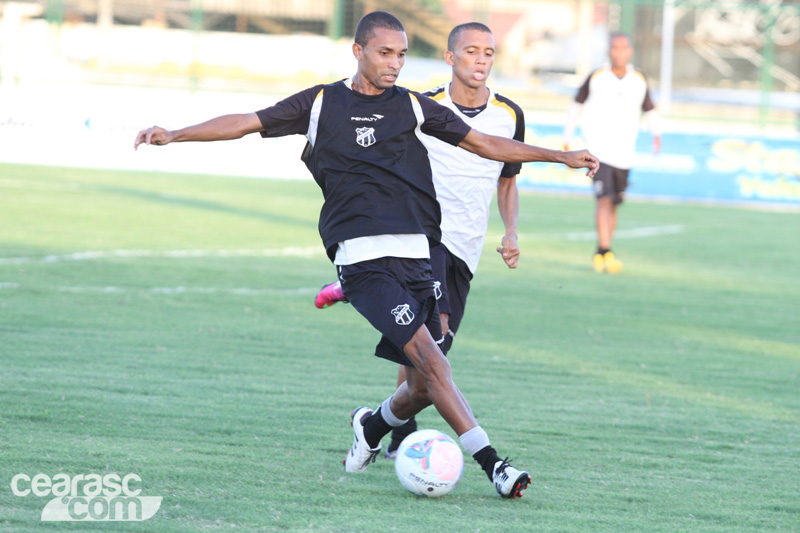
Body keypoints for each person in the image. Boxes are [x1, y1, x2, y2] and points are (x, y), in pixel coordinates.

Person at [134, 11, 598, 498]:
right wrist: (177, 133)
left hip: (418, 256)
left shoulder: (413, 107)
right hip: (363, 260)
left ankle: (372, 427)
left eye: (400, 54)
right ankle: (494, 466)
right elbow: (247, 122)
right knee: (435, 362)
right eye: (384, 53)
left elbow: (484, 143)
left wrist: (561, 157)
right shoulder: (320, 102)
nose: (395, 63)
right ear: (358, 52)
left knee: (421, 385)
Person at [315, 22, 527, 460]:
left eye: (488, 53)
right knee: (431, 350)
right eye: (471, 51)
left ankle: (377, 425)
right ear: (450, 58)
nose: (481, 60)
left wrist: (510, 230)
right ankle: (414, 441)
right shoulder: (418, 105)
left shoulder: (509, 115)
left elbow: (506, 175)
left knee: (426, 351)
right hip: (423, 238)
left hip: (465, 249)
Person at [562, 32, 661, 274]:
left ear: (630, 51)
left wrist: (656, 134)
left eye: (623, 48)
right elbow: (577, 105)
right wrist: (567, 137)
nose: (619, 52)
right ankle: (604, 251)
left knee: (615, 202)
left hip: (625, 151)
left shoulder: (638, 79)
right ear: (609, 51)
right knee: (603, 199)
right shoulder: (597, 76)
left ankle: (604, 248)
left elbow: (649, 109)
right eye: (614, 48)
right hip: (598, 150)